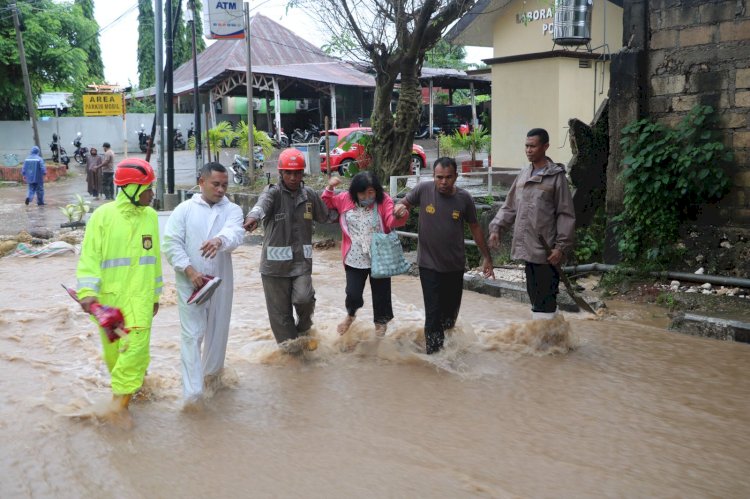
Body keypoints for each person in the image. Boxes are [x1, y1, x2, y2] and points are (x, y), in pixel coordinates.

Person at [75, 158, 162, 416]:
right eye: (148, 187)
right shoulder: (102, 217)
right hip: (111, 302)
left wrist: (156, 294)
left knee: (135, 350)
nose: (152, 193)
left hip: (142, 301)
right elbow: (89, 257)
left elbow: (154, 258)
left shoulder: (151, 217)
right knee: (115, 357)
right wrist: (87, 294)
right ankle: (135, 390)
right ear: (132, 189)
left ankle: (117, 410)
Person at [163, 162, 245, 405]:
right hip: (190, 283)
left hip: (220, 282)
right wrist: (189, 271)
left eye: (224, 185)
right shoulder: (184, 210)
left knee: (218, 332)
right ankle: (193, 395)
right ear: (201, 182)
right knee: (192, 336)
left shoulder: (232, 210)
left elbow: (236, 233)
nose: (221, 190)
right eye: (216, 184)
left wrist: (220, 240)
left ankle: (212, 382)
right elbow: (170, 243)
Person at [393, 157, 494, 354]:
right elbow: (404, 204)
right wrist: (399, 208)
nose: (444, 182)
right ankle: (435, 358)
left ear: (456, 176)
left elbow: (475, 228)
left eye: (448, 177)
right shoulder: (423, 190)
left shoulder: (464, 199)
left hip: (454, 266)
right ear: (433, 176)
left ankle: (448, 350)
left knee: (449, 317)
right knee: (433, 314)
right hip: (428, 264)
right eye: (439, 177)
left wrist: (487, 257)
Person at [243, 148, 331, 351]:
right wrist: (253, 218)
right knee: (281, 317)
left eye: (297, 173)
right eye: (288, 173)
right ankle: (293, 358)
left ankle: (304, 329)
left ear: (302, 174)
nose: (293, 177)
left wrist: (341, 199)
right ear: (281, 173)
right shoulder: (273, 193)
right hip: (274, 268)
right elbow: (260, 206)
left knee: (304, 299)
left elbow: (326, 215)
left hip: (301, 263)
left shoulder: (309, 194)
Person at [488, 128, 576, 320]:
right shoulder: (524, 174)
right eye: (526, 146)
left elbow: (565, 214)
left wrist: (561, 247)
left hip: (547, 252)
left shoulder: (556, 177)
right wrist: (496, 228)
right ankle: (547, 340)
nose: (528, 150)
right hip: (528, 250)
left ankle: (549, 341)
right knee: (535, 299)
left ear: (545, 147)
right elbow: (510, 206)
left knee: (546, 300)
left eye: (533, 146)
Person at [322, 171, 407, 336]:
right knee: (352, 294)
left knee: (382, 297)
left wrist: (399, 214)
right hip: (354, 257)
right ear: (355, 193)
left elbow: (391, 220)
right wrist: (330, 187)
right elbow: (326, 202)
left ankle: (380, 329)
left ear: (376, 191)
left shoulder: (384, 201)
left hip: (380, 257)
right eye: (362, 193)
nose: (367, 196)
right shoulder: (345, 199)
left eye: (371, 192)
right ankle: (351, 315)